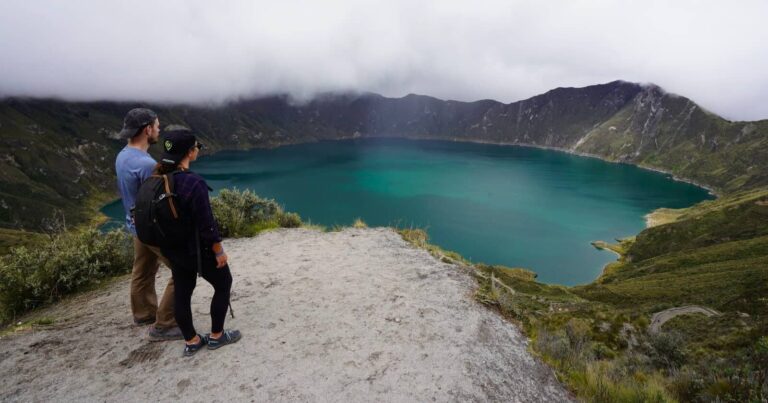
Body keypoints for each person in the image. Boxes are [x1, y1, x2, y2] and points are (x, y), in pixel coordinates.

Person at [153, 128, 241, 357]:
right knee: (223, 283)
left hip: (174, 250)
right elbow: (207, 225)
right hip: (198, 250)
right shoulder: (193, 183)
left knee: (182, 291)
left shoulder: (157, 181)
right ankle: (217, 336)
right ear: (190, 152)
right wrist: (218, 251)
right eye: (196, 147)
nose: (197, 150)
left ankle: (191, 340)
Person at [115, 108, 182, 341]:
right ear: (147, 130)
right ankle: (165, 324)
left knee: (142, 271)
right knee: (183, 269)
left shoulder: (123, 155)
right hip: (151, 228)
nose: (159, 129)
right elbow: (159, 203)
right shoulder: (146, 164)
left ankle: (143, 313)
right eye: (157, 126)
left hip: (135, 226)